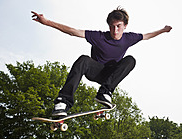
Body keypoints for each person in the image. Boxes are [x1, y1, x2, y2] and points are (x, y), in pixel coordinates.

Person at [31, 7, 172, 117]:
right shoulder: (99, 36)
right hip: (95, 71)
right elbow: (73, 31)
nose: (115, 30)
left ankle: (105, 92)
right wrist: (47, 22)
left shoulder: (129, 38)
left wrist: (163, 30)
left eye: (118, 26)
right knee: (83, 60)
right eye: (112, 26)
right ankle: (63, 102)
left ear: (125, 26)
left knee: (130, 60)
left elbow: (147, 36)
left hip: (110, 76)